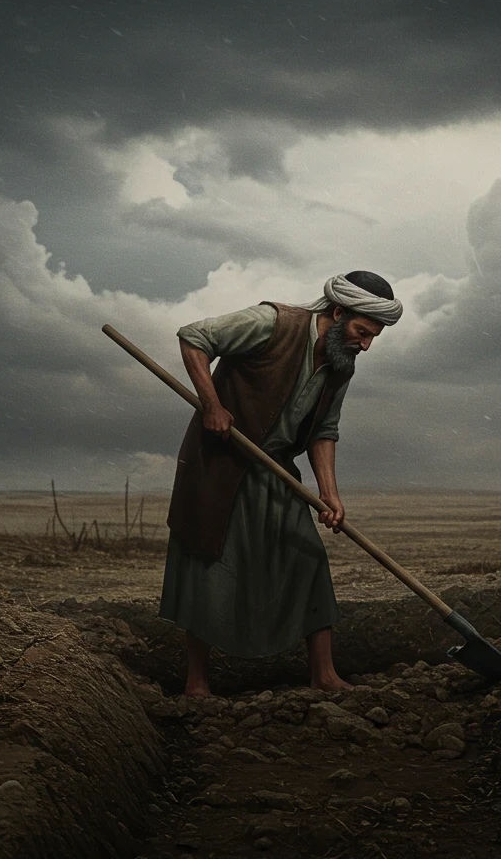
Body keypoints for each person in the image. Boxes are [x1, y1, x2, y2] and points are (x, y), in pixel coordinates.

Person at [159, 271, 402, 696]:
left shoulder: (341, 364)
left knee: (308, 557)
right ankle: (197, 683)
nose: (364, 345)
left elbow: (323, 429)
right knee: (207, 563)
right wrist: (212, 406)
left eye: (372, 338)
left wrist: (329, 493)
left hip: (276, 470)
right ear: (338, 313)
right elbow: (194, 336)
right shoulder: (273, 323)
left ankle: (324, 676)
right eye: (362, 333)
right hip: (221, 463)